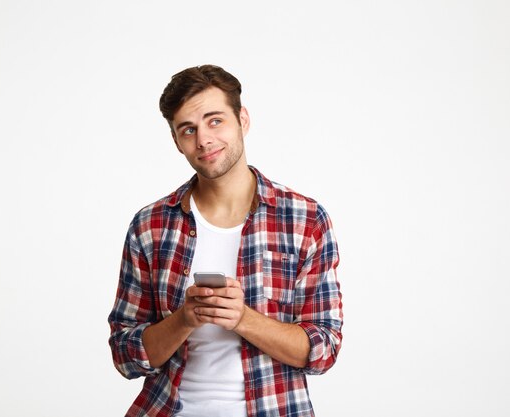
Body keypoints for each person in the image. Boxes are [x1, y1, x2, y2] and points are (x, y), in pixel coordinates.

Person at [108, 64, 343, 417]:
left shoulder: (305, 219)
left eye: (215, 120)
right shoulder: (150, 225)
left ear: (242, 120)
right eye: (188, 130)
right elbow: (125, 354)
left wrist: (242, 318)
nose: (203, 139)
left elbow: (324, 349)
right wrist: (184, 319)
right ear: (176, 141)